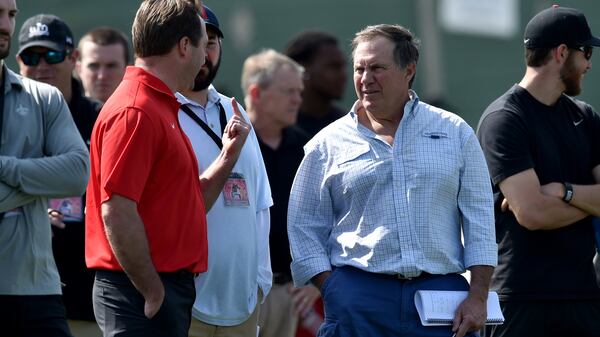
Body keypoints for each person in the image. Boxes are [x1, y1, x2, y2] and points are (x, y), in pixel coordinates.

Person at [287, 24, 497, 337]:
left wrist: (478, 296)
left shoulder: (455, 133)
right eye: (360, 69)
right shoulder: (326, 144)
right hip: (358, 298)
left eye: (377, 68)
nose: (365, 78)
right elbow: (303, 225)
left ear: (408, 70)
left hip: (441, 300)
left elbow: (480, 221)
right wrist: (332, 287)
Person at [85, 1, 250, 336]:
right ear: (184, 46)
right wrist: (152, 290)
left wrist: (227, 158)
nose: (206, 58)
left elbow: (189, 203)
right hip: (140, 292)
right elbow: (116, 211)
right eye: (204, 46)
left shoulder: (157, 105)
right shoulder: (137, 110)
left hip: (157, 289)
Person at [476, 5, 600, 337]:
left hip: (584, 297)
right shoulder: (504, 119)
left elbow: (539, 206)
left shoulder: (585, 117)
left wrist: (563, 191)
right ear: (562, 53)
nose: (589, 63)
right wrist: (587, 199)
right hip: (521, 300)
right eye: (586, 52)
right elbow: (532, 212)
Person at [176, 6, 272, 337]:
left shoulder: (235, 110)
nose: (204, 53)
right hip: (186, 306)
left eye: (212, 42)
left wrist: (261, 282)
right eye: (194, 42)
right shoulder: (159, 113)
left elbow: (260, 204)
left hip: (242, 306)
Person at [0, 1, 90, 336]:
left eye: (10, 14)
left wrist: (5, 167)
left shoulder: (44, 99)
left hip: (38, 293)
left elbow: (77, 172)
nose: (6, 25)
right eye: (31, 56)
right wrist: (37, 183)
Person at [16, 14, 103, 337]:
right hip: (19, 292)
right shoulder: (7, 119)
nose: (42, 66)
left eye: (52, 55)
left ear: (73, 58)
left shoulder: (99, 119)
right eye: (31, 56)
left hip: (87, 296)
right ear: (17, 61)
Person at [240, 49, 319, 337]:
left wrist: (315, 282)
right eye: (288, 91)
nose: (297, 99)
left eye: (299, 91)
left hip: (289, 292)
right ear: (256, 92)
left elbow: (326, 217)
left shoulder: (306, 147)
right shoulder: (230, 145)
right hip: (239, 293)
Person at [284, 31, 347, 138]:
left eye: (343, 66)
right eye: (333, 67)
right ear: (302, 70)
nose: (343, 75)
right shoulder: (279, 126)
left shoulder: (346, 126)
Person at [76, 26, 129, 103]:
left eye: (111, 66)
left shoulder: (141, 113)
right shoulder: (60, 112)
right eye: (94, 66)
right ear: (79, 69)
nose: (102, 76)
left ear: (127, 70)